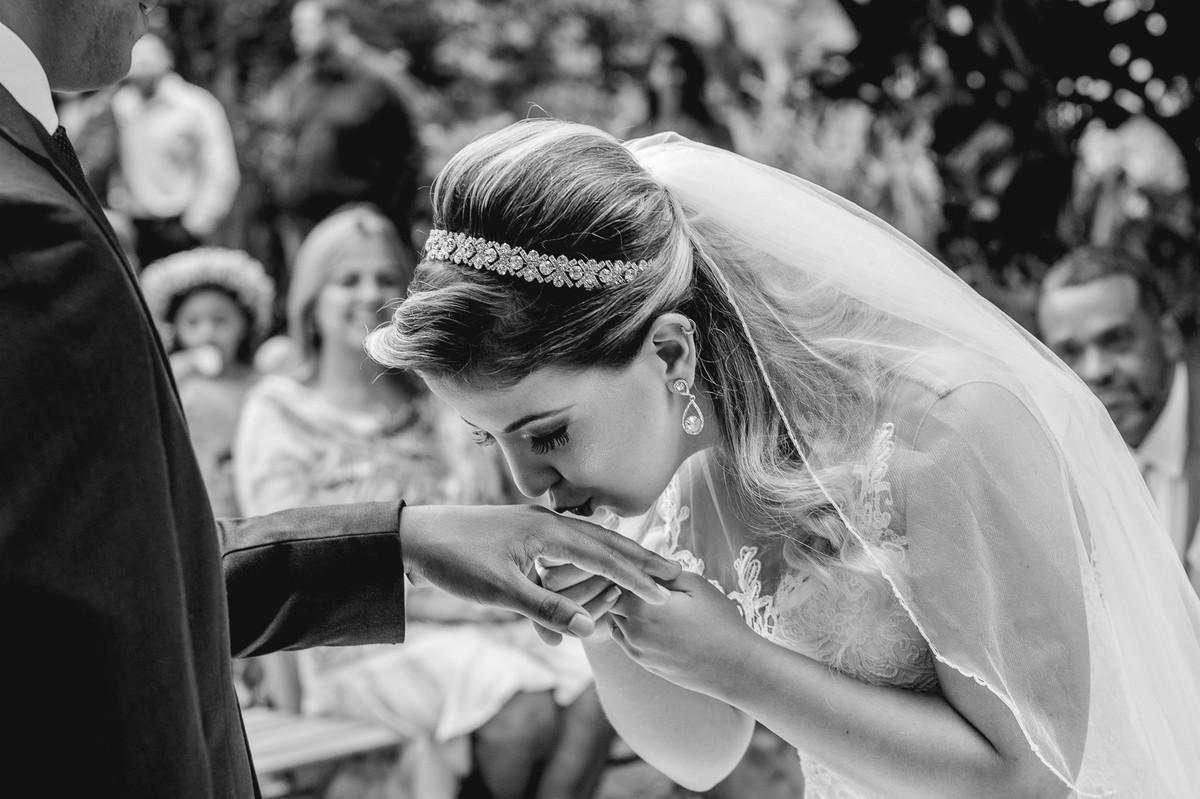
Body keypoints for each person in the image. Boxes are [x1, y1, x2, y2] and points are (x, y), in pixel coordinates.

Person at [365, 119, 1200, 798]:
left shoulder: (949, 426)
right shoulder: (689, 458)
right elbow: (701, 753)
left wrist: (744, 665)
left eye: (546, 433)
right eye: (491, 437)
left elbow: (1032, 778)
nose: (526, 484)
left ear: (669, 353)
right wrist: (597, 615)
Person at [0, 6, 681, 797]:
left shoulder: (29, 167)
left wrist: (404, 542)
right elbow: (97, 626)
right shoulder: (22, 221)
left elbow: (133, 568)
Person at [235, 204, 615, 799]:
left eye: (386, 279)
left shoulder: (437, 401)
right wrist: (286, 697)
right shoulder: (281, 412)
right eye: (348, 279)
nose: (369, 294)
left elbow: (500, 511)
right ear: (311, 299)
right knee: (520, 708)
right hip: (361, 641)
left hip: (485, 615)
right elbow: (284, 563)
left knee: (602, 685)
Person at [1036, 246, 1200, 589]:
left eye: (1116, 340)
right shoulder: (1053, 461)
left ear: (1168, 337)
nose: (1095, 371)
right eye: (1070, 353)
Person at [262, 0, 422, 261]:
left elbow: (409, 155)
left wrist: (385, 216)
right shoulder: (300, 79)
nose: (296, 36)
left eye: (306, 28)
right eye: (296, 28)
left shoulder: (379, 81)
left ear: (336, 26)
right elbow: (280, 136)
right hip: (304, 225)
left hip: (360, 229)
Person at [140, 246, 275, 517]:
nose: (207, 333)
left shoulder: (263, 386)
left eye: (220, 320)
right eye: (193, 322)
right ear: (175, 330)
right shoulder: (174, 383)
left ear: (245, 324)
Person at [108, 32, 241, 267]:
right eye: (136, 55)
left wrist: (196, 224)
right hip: (136, 227)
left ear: (168, 58)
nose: (143, 63)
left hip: (182, 226)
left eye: (151, 54)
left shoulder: (196, 106)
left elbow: (221, 169)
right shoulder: (120, 107)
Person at [627, 34, 734, 151]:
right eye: (662, 64)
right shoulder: (637, 138)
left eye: (676, 65)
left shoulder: (716, 134)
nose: (670, 74)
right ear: (649, 74)